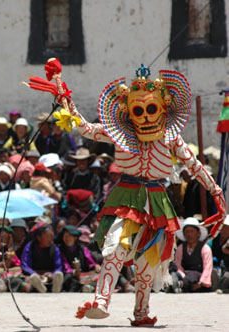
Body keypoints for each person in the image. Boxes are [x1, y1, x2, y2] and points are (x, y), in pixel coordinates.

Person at [67, 65, 225, 326]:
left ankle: (141, 313)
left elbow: (194, 165)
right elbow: (86, 129)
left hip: (157, 199)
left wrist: (217, 192)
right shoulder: (120, 134)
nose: (145, 118)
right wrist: (66, 100)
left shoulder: (171, 137)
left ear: (163, 108)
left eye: (150, 109)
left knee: (147, 261)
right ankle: (101, 300)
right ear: (129, 112)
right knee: (116, 246)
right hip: (127, 196)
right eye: (137, 111)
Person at [172, 218, 214, 293]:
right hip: (185, 276)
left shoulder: (205, 248)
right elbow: (178, 264)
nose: (189, 234)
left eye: (192, 231)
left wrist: (201, 283)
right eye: (187, 232)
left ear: (198, 233)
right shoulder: (180, 248)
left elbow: (207, 267)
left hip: (199, 277)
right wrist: (183, 276)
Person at [21, 222, 64, 293]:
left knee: (60, 275)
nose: (51, 239)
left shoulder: (54, 248)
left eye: (51, 236)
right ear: (39, 238)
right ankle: (40, 288)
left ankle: (55, 288)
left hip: (49, 277)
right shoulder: (30, 247)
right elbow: (25, 265)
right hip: (34, 276)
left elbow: (58, 266)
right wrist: (35, 274)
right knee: (23, 280)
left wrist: (52, 274)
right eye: (48, 237)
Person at [57, 225, 100, 292]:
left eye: (69, 236)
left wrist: (95, 266)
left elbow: (89, 261)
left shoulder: (82, 249)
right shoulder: (60, 249)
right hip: (69, 274)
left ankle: (86, 288)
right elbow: (64, 264)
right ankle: (83, 288)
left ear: (75, 237)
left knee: (97, 276)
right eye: (65, 236)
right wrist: (73, 272)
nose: (67, 238)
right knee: (69, 278)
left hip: (83, 274)